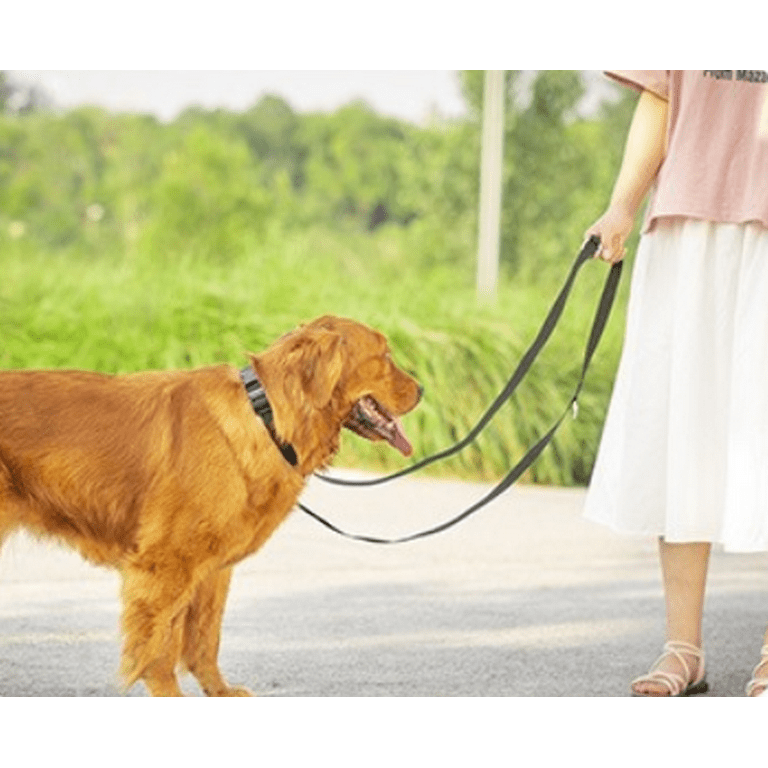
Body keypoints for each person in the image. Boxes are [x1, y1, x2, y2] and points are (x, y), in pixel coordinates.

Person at [583, 70, 768, 696]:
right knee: (683, 429)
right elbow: (658, 99)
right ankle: (682, 648)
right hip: (686, 222)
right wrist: (620, 207)